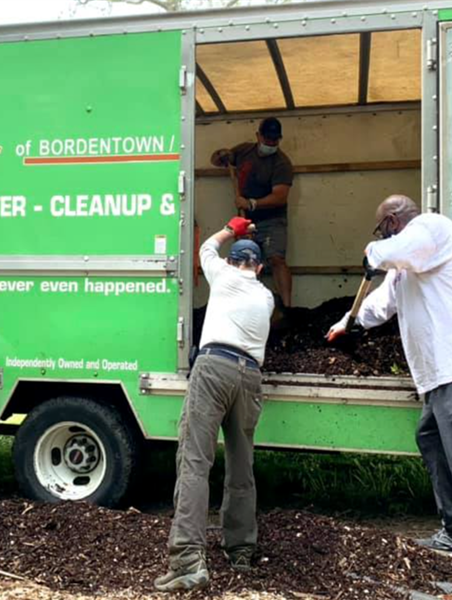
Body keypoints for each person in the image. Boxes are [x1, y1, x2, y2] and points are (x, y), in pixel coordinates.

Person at [327, 194, 452, 557]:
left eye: (382, 228)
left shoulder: (432, 230)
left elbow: (393, 252)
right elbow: (383, 302)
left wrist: (373, 253)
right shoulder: (408, 264)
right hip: (439, 377)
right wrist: (350, 323)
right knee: (430, 437)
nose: (383, 235)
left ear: (393, 221)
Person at [155, 216, 275, 592]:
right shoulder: (266, 297)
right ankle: (240, 551)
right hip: (250, 376)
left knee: (194, 462)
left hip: (213, 369)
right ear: (259, 267)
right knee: (241, 466)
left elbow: (206, 248)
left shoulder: (222, 276)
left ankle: (188, 560)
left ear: (233, 261)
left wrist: (231, 228)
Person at [211, 117, 294, 309]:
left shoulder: (282, 163)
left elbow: (280, 197)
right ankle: (244, 305)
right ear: (258, 136)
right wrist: (221, 155)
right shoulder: (244, 151)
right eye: (267, 139)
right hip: (245, 221)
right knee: (243, 261)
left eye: (275, 140)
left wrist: (251, 203)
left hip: (273, 220)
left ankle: (288, 308)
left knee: (276, 259)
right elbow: (217, 161)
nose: (271, 143)